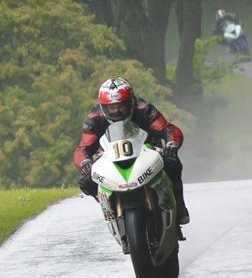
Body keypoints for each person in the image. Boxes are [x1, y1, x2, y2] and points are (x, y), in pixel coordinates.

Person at [73, 77, 190, 225]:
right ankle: (109, 205)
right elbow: (83, 147)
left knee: (173, 163)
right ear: (103, 107)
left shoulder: (144, 109)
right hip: (111, 158)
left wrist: (171, 144)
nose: (117, 111)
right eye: (112, 107)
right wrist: (85, 162)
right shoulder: (94, 119)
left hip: (146, 152)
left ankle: (179, 206)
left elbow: (168, 129)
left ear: (131, 101)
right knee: (86, 181)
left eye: (122, 106)